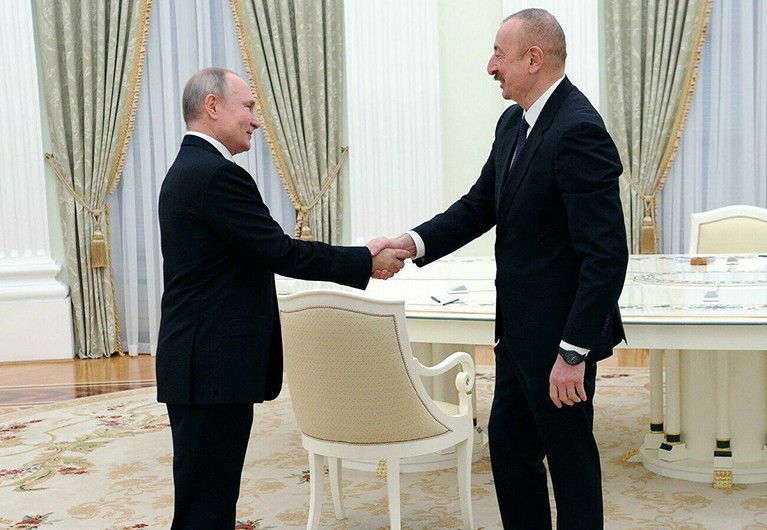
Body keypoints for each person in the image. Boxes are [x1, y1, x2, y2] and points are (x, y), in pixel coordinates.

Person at [386, 9, 628, 529]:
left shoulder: (579, 130)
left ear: (533, 59)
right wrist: (411, 243)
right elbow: (480, 206)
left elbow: (606, 256)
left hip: (560, 342)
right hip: (517, 334)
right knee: (511, 447)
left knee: (570, 463)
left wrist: (573, 352)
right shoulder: (513, 123)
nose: (490, 65)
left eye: (499, 53)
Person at [156, 67, 408, 529]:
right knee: (206, 505)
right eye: (248, 107)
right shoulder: (215, 175)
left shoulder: (189, 169)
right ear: (213, 106)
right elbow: (281, 252)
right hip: (210, 365)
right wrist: (365, 259)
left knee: (204, 497)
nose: (256, 119)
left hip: (199, 362)